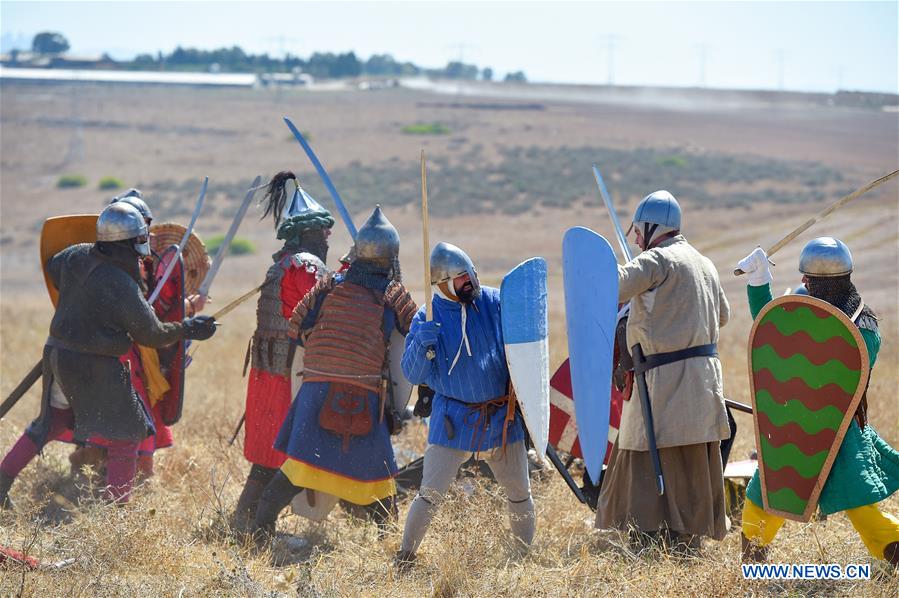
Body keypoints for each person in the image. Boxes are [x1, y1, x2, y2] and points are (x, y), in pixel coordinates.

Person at [0, 202, 216, 508]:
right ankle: (116, 514)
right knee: (128, 433)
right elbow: (151, 334)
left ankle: (0, 483)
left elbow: (54, 266)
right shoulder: (122, 284)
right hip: (96, 363)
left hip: (58, 354)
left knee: (53, 421)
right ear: (128, 243)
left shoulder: (74, 256)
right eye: (138, 239)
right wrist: (188, 327)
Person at [251, 206, 417, 539]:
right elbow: (414, 333)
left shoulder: (328, 286)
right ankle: (388, 541)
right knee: (375, 470)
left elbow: (296, 327)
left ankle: (260, 527)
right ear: (391, 258)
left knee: (300, 465)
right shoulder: (392, 294)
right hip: (363, 390)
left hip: (318, 387)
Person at [737, 238, 899, 565]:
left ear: (813, 281)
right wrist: (759, 284)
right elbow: (772, 336)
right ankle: (751, 568)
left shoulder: (861, 328)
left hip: (839, 432)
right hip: (795, 431)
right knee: (765, 496)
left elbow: (827, 369)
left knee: (862, 509)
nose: (803, 284)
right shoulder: (808, 313)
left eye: (807, 280)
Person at [596, 190, 731, 552]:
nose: (636, 238)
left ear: (653, 227)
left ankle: (649, 533)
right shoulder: (705, 263)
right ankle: (688, 535)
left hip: (664, 381)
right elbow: (723, 316)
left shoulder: (656, 260)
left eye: (638, 230)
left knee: (645, 451)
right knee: (691, 457)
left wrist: (606, 270)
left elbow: (608, 288)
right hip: (702, 382)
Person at [395, 242, 535, 569]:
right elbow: (412, 374)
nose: (468, 281)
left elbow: (526, 349)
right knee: (430, 494)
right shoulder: (425, 317)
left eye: (468, 273)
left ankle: (523, 559)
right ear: (443, 284)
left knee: (519, 492)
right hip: (453, 419)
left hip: (501, 415)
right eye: (459, 278)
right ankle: (405, 557)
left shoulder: (495, 303)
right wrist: (422, 344)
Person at [231, 172, 336, 531]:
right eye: (322, 231)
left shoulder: (282, 264)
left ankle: (245, 521)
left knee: (269, 458)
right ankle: (252, 526)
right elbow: (317, 321)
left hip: (270, 371)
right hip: (288, 373)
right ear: (305, 232)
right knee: (280, 455)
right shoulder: (306, 266)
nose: (327, 238)